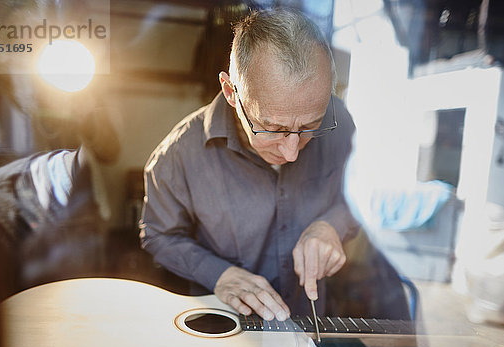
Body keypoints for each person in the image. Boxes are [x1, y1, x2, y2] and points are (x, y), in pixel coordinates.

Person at [140, 8, 360, 321]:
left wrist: (332, 224)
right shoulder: (177, 157)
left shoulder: (339, 122)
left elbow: (359, 193)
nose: (292, 151)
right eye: (272, 129)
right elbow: (159, 235)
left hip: (312, 324)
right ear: (231, 92)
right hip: (226, 333)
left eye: (310, 127)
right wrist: (219, 274)